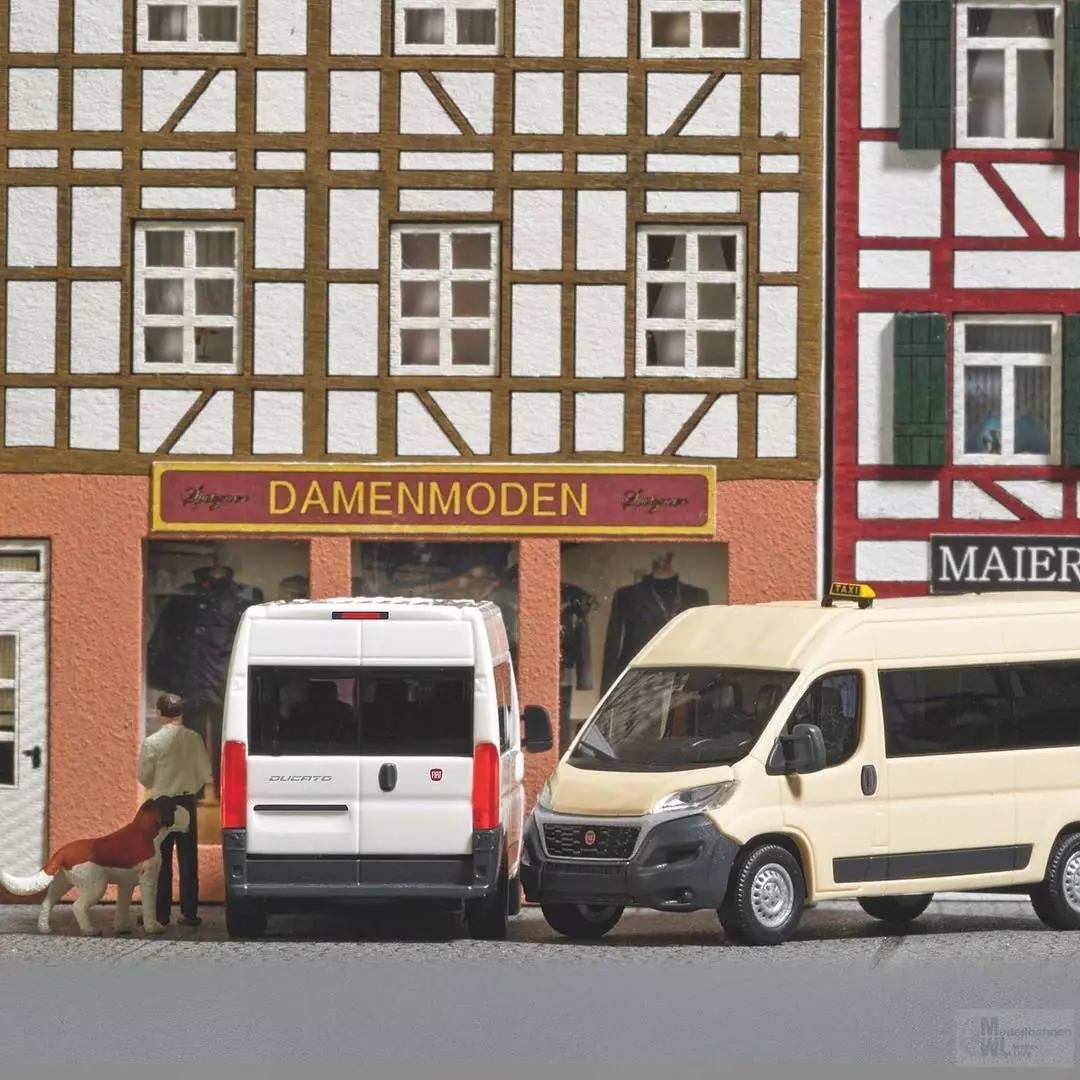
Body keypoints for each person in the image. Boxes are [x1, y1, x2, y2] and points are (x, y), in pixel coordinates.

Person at [135, 693, 213, 928]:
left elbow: (144, 776)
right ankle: (189, 912)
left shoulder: (152, 742)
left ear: (159, 712)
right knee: (189, 858)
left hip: (162, 804)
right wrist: (190, 789)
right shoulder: (194, 738)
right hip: (187, 801)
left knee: (161, 858)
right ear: (180, 713)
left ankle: (161, 913)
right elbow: (204, 772)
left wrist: (158, 786)